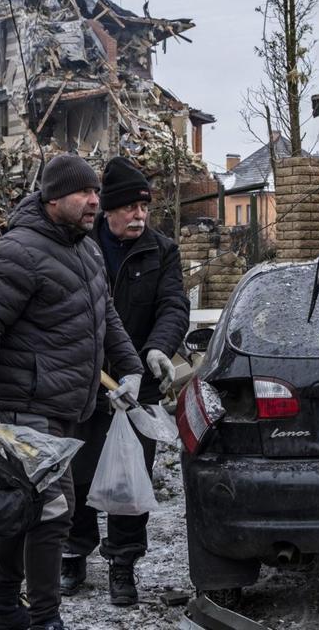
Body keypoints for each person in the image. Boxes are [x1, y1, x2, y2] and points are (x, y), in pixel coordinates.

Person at [0, 154, 144, 630]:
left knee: (25, 508)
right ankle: (45, 619)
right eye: (84, 192)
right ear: (53, 198)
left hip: (64, 407)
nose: (94, 201)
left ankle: (1, 607)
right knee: (54, 511)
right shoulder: (17, 251)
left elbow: (106, 316)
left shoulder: (85, 251)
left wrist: (130, 369)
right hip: (25, 407)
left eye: (96, 192)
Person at [61, 157, 189, 606]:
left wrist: (158, 348)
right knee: (75, 473)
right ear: (108, 210)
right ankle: (73, 553)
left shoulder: (162, 250)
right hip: (85, 381)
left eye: (145, 208)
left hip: (139, 386)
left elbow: (173, 305)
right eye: (130, 208)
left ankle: (123, 564)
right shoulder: (79, 246)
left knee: (129, 479)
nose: (139, 216)